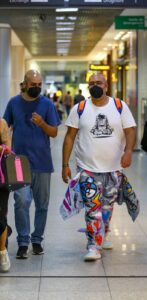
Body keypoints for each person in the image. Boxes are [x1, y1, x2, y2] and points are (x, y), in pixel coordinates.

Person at [62, 73, 136, 261]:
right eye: (92, 83)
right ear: (88, 87)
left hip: (113, 168)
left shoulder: (119, 107)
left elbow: (130, 131)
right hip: (87, 168)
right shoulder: (79, 108)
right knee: (92, 208)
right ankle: (93, 246)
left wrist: (128, 152)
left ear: (106, 86)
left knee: (106, 207)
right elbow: (69, 136)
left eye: (99, 83)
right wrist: (65, 164)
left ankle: (104, 233)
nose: (96, 86)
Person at [3, 69, 61, 259]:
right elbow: (5, 128)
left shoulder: (46, 104)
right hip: (19, 163)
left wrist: (42, 124)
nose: (36, 88)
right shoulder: (13, 103)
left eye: (39, 85)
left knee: (42, 204)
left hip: (42, 162)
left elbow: (54, 132)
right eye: (33, 85)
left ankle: (37, 240)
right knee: (21, 202)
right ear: (25, 84)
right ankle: (23, 242)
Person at [0, 118, 11, 272]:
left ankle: (2, 251)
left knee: (0, 216)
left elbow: (7, 149)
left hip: (1, 177)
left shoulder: (1, 123)